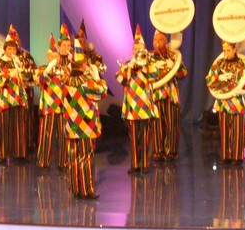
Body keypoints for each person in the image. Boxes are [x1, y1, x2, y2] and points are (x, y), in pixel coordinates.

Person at [62, 39, 107, 199]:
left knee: (73, 157)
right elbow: (102, 92)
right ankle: (87, 189)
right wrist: (97, 76)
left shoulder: (65, 82)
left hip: (71, 125)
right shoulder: (87, 83)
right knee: (86, 157)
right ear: (82, 66)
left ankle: (75, 189)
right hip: (86, 126)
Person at [116, 26, 158, 174]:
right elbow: (120, 79)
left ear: (144, 50)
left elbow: (154, 76)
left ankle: (145, 164)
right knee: (134, 138)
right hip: (132, 107)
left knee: (146, 137)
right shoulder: (128, 64)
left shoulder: (150, 64)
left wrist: (144, 66)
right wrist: (129, 68)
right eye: (134, 49)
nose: (136, 51)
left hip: (145, 106)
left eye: (139, 49)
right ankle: (135, 164)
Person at [206, 39, 245, 165]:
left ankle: (237, 156)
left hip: (237, 101)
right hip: (223, 101)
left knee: (238, 130)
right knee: (225, 130)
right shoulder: (219, 63)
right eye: (224, 50)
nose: (226, 53)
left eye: (228, 50)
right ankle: (226, 155)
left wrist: (244, 88)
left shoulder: (242, 62)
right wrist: (218, 78)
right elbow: (209, 79)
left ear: (234, 49)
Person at [36, 26, 72, 169]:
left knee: (63, 136)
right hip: (48, 107)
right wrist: (48, 69)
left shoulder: (64, 69)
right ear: (47, 58)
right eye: (51, 57)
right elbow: (39, 81)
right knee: (47, 135)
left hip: (63, 106)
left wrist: (71, 63)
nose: (54, 59)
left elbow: (72, 79)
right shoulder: (42, 69)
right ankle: (43, 162)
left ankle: (63, 162)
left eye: (56, 57)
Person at [149, 29, 188, 162]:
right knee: (157, 125)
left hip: (171, 95)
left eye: (160, 39)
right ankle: (158, 152)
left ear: (166, 41)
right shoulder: (149, 57)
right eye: (155, 39)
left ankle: (172, 152)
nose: (157, 42)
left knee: (172, 125)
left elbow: (183, 73)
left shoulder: (173, 56)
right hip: (156, 95)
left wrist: (175, 67)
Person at [0, 28, 29, 164]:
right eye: (9, 49)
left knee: (19, 126)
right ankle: (3, 154)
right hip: (5, 97)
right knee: (4, 126)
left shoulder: (19, 61)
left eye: (14, 49)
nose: (12, 51)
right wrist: (8, 75)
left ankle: (20, 154)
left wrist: (21, 70)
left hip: (18, 97)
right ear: (5, 49)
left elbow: (28, 77)